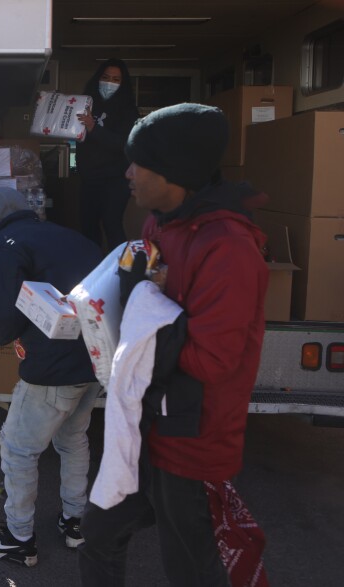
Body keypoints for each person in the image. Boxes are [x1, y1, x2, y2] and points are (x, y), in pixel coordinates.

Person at [78, 104, 270, 586]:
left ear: (174, 171)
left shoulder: (228, 246)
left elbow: (212, 359)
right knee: (98, 534)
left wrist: (145, 322)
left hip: (192, 440)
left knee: (190, 568)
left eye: (136, 163)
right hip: (144, 425)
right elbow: (147, 301)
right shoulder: (158, 224)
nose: (127, 174)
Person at [0, 187, 103, 567]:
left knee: (17, 447)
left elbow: (2, 328)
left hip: (52, 366)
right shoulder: (68, 236)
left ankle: (18, 537)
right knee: (73, 438)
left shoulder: (2, 246)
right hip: (95, 356)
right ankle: (75, 522)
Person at [75, 58, 139, 251]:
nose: (109, 82)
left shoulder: (128, 112)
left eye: (116, 79)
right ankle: (91, 273)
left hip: (115, 179)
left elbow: (124, 143)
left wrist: (94, 128)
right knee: (88, 226)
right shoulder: (86, 103)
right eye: (105, 77)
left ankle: (122, 272)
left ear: (123, 83)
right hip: (89, 177)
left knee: (112, 223)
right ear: (97, 78)